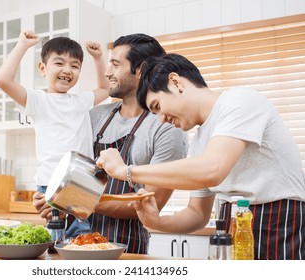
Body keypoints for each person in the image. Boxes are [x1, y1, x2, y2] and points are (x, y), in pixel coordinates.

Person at [96, 53, 305, 260]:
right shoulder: (200, 141)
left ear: (175, 81)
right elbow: (197, 214)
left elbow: (212, 169)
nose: (161, 119)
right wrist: (156, 222)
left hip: (277, 221)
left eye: (158, 107)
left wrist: (127, 171)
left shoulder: (239, 100)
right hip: (231, 225)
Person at [33, 34, 189, 254]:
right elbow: (62, 159)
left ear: (141, 69)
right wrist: (52, 197)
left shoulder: (166, 127)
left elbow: (151, 202)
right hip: (72, 247)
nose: (107, 73)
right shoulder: (94, 116)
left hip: (126, 250)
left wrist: (73, 201)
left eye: (115, 65)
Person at [0, 31, 110, 237]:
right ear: (43, 68)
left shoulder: (81, 101)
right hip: (52, 182)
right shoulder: (38, 100)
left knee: (82, 237)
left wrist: (98, 57)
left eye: (74, 66)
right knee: (57, 240)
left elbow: (106, 87)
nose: (67, 70)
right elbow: (3, 80)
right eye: (59, 63)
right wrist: (22, 44)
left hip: (85, 182)